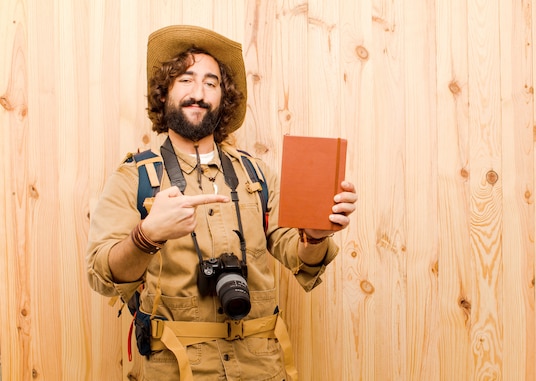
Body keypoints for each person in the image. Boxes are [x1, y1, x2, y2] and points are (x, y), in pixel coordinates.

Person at [86, 24, 357, 381]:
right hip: (178, 369)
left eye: (211, 83)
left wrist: (316, 236)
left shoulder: (256, 175)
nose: (198, 93)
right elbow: (102, 275)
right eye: (185, 79)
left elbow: (299, 256)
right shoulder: (133, 178)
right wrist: (146, 236)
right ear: (164, 91)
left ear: (223, 97)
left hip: (262, 367)